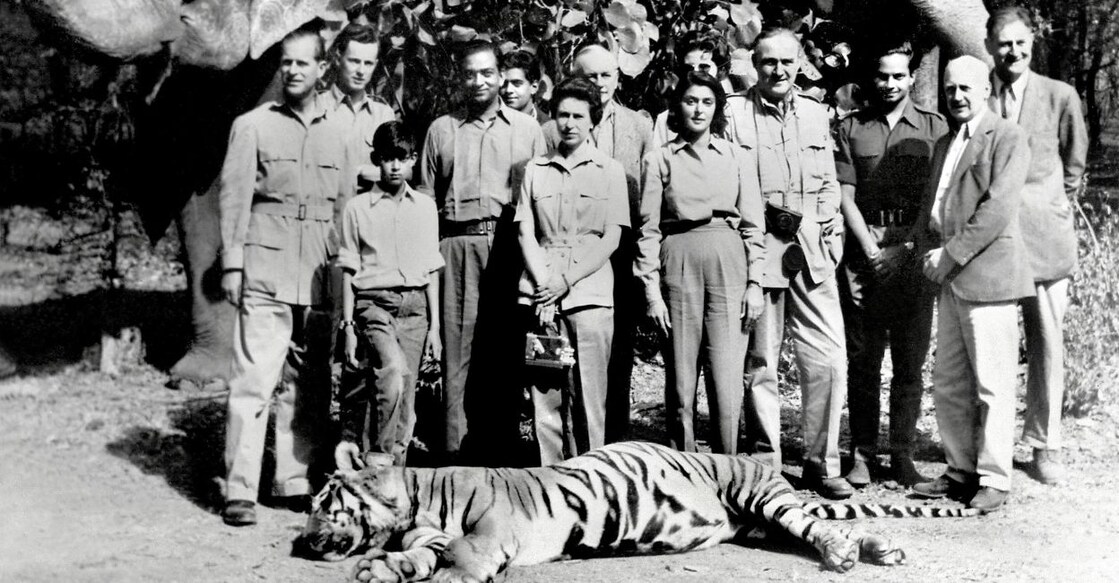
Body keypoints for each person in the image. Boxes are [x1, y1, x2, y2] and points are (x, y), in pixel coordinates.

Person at [218, 25, 355, 526]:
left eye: (303, 63)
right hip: (265, 268)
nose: (293, 71)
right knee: (253, 381)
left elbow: (345, 211)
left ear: (323, 69)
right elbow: (233, 200)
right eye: (286, 62)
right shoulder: (251, 126)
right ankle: (239, 490)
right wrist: (232, 263)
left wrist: (343, 277)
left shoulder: (342, 133)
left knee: (309, 384)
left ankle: (293, 479)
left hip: (318, 273)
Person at [727, 28, 853, 499]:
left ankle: (823, 462)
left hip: (813, 252)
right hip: (759, 250)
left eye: (786, 61)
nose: (778, 71)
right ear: (754, 66)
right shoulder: (734, 113)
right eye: (768, 62)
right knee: (761, 362)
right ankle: (766, 465)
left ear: (799, 62)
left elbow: (829, 183)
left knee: (827, 359)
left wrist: (831, 229)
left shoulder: (817, 113)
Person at [910, 56, 1032, 512]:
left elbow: (997, 210)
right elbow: (934, 203)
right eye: (949, 89)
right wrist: (924, 251)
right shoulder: (945, 142)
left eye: (965, 88)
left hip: (989, 277)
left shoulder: (1007, 137)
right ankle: (960, 471)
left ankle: (995, 479)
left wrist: (951, 254)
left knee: (993, 385)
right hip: (948, 278)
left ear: (985, 90)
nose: (956, 96)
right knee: (949, 383)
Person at [420, 39, 546, 461]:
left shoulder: (528, 131)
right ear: (459, 76)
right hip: (456, 245)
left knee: (505, 353)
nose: (479, 81)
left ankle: (502, 454)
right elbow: (423, 202)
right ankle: (456, 458)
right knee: (457, 354)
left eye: (487, 72)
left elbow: (543, 200)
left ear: (499, 75)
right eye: (471, 73)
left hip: (510, 247)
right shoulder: (442, 129)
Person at [833, 42, 948, 487]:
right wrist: (870, 248)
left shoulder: (936, 128)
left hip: (913, 253)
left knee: (908, 362)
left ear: (912, 77)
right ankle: (861, 454)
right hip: (864, 253)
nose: (890, 84)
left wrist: (905, 248)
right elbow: (845, 193)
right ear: (872, 78)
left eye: (899, 76)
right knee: (862, 361)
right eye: (883, 76)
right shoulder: (851, 127)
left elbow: (935, 197)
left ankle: (901, 453)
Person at [635, 71, 765, 454]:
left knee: (726, 377)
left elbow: (754, 226)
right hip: (678, 259)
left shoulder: (738, 157)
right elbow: (648, 229)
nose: (699, 109)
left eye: (708, 102)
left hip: (729, 261)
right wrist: (651, 291)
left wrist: (755, 283)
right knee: (680, 376)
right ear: (677, 106)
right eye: (691, 100)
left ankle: (727, 466)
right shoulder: (658, 158)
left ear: (717, 109)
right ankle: (683, 465)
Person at [984, 5, 1088, 485]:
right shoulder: (977, 92)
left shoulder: (1059, 95)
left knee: (1047, 344)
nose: (1014, 51)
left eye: (1021, 42)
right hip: (993, 239)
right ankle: (993, 443)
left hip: (1046, 239)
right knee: (995, 345)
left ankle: (1045, 444)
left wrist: (1056, 203)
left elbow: (1075, 163)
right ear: (989, 46)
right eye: (1004, 43)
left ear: (1033, 44)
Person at [515, 77, 629, 464]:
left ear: (592, 120)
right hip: (543, 299)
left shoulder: (610, 170)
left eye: (578, 115)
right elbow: (527, 232)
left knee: (589, 396)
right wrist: (546, 284)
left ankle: (592, 476)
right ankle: (552, 480)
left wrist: (565, 281)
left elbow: (610, 238)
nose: (569, 123)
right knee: (546, 394)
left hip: (590, 298)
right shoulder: (535, 169)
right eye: (562, 114)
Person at [543, 43, 652, 444]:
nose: (600, 83)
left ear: (619, 78)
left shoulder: (639, 126)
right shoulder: (554, 127)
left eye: (607, 75)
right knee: (563, 355)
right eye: (590, 76)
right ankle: (568, 447)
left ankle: (615, 444)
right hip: (566, 251)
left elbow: (648, 192)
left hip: (619, 249)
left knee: (617, 351)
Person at [333, 121, 443, 469]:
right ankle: (378, 459)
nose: (395, 167)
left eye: (402, 158)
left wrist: (435, 328)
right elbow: (349, 270)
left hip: (415, 309)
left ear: (412, 160)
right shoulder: (358, 208)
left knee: (405, 397)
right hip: (374, 305)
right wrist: (348, 326)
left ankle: (393, 479)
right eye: (387, 158)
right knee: (391, 373)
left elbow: (431, 270)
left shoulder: (425, 207)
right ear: (375, 160)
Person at [320, 23, 398, 182]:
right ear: (337, 59)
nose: (361, 71)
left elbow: (397, 172)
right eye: (354, 61)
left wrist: (363, 171)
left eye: (368, 63)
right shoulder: (315, 107)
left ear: (375, 65)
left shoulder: (382, 114)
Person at [651, 31, 731, 145]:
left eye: (704, 67)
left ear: (719, 70)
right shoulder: (665, 120)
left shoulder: (734, 114)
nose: (695, 73)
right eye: (688, 68)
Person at [500, 50, 549, 124]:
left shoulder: (549, 128)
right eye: (504, 84)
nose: (508, 90)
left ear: (534, 87)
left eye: (516, 83)